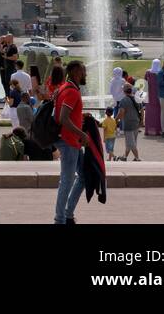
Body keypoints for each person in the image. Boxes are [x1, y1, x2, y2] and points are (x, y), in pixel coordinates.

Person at [53, 60, 90, 226]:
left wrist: (82, 117)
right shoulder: (71, 92)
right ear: (75, 72)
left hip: (71, 141)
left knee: (83, 176)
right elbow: (63, 118)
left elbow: (66, 114)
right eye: (83, 71)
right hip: (68, 142)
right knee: (66, 182)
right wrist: (82, 133)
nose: (85, 74)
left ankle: (67, 214)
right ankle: (60, 219)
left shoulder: (66, 88)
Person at [115, 83, 142, 161]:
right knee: (130, 142)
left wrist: (115, 120)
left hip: (128, 124)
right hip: (136, 123)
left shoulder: (123, 100)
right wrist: (141, 121)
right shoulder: (136, 98)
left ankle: (137, 158)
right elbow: (142, 111)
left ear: (124, 91)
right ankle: (125, 157)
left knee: (131, 143)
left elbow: (121, 113)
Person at [143, 58, 162, 137]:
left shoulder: (148, 72)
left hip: (150, 96)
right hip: (159, 95)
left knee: (149, 113)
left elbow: (144, 81)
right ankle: (158, 130)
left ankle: (148, 130)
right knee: (158, 113)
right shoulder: (160, 72)